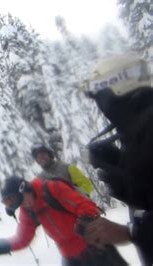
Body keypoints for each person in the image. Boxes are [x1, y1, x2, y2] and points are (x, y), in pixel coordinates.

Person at [80, 53, 153, 265]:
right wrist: (117, 168)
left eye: (99, 98)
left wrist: (130, 233)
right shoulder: (136, 130)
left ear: (114, 90)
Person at [0, 176, 126, 266]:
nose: (25, 205)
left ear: (26, 188)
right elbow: (23, 238)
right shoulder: (28, 211)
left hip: (95, 248)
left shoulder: (51, 189)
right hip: (71, 258)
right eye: (20, 205)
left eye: (23, 201)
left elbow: (84, 205)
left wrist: (85, 221)